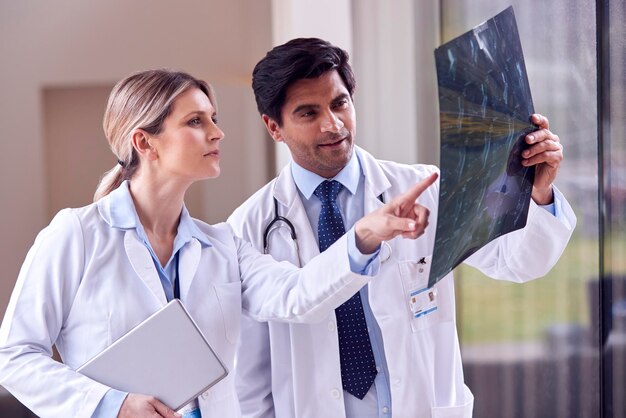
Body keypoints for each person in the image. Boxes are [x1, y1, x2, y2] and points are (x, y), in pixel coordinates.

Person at [0, 69, 439, 418]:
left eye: (214, 118)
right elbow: (14, 356)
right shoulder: (77, 235)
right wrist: (111, 406)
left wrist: (364, 236)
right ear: (144, 142)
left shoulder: (223, 244)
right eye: (196, 121)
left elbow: (299, 295)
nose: (217, 133)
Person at [227, 38, 577, 418]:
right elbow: (250, 377)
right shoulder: (248, 228)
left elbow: (518, 262)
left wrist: (538, 193)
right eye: (308, 113)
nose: (333, 124)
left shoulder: (425, 188)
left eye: (339, 103)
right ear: (274, 127)